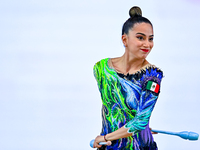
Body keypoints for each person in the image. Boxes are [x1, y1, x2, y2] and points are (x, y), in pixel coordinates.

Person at [93, 6, 163, 150]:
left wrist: (106, 137)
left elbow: (139, 122)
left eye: (151, 39)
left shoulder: (153, 77)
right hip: (109, 146)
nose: (147, 44)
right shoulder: (101, 69)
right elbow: (110, 109)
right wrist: (105, 138)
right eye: (140, 38)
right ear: (125, 40)